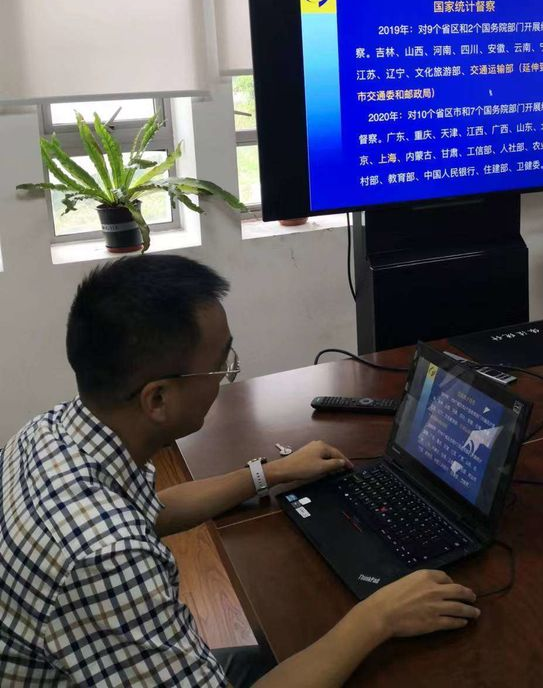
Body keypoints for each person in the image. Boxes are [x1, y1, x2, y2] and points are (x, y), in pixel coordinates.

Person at [0, 254, 480, 687]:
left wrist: (270, 473)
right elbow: (114, 542)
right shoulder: (105, 559)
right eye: (220, 366)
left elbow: (151, 509)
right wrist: (378, 616)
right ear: (158, 399)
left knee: (295, 645)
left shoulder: (49, 432)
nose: (227, 377)